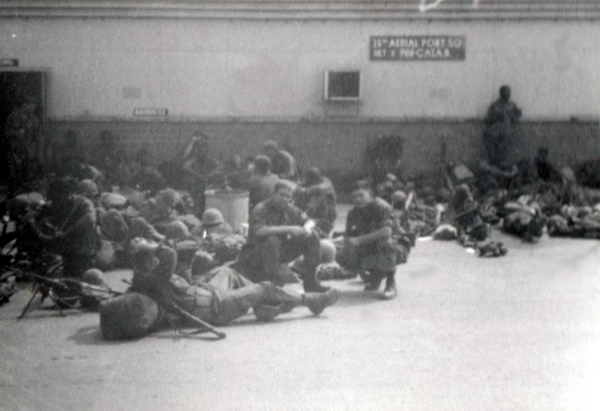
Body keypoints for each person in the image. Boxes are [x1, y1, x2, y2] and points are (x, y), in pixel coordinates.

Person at [127, 238, 339, 326]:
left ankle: (265, 305)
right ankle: (310, 300)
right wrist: (153, 246)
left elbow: (183, 282)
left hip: (205, 293)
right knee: (264, 287)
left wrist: (189, 264)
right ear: (146, 257)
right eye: (143, 246)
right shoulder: (151, 277)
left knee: (229, 272)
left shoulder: (149, 275)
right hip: (214, 307)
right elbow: (169, 254)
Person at [235, 181, 330, 292]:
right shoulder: (261, 208)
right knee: (272, 240)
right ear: (273, 193)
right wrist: (289, 229)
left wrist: (306, 228)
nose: (285, 199)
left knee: (311, 237)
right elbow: (258, 231)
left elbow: (309, 220)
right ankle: (271, 285)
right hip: (256, 256)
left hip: (278, 253)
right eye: (282, 195)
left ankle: (310, 281)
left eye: (288, 197)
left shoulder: (288, 209)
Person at [26, 177, 99, 303]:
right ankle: (42, 269)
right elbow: (31, 216)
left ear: (68, 195)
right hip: (65, 246)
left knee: (75, 289)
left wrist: (66, 232)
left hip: (82, 248)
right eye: (53, 199)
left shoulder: (83, 202)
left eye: (58, 198)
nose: (55, 203)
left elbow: (89, 219)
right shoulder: (53, 204)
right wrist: (36, 228)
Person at [335, 180, 411, 300]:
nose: (357, 199)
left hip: (396, 245)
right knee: (341, 254)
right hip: (370, 244)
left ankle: (390, 283)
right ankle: (376, 276)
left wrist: (358, 241)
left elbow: (386, 232)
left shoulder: (382, 207)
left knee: (385, 243)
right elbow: (349, 236)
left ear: (370, 195)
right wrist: (345, 243)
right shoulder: (353, 213)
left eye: (361, 195)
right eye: (354, 197)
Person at [4, 96, 42, 192]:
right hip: (16, 151)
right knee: (15, 175)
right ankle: (13, 196)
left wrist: (37, 151)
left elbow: (38, 136)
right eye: (31, 105)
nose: (33, 108)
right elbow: (6, 133)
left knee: (28, 176)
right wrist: (16, 133)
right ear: (25, 104)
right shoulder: (13, 117)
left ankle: (25, 195)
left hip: (29, 152)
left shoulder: (34, 119)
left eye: (34, 106)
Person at [182, 132, 222, 216]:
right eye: (201, 151)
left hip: (207, 187)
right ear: (197, 151)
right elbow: (185, 167)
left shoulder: (209, 160)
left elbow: (220, 166)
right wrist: (198, 176)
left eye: (204, 151)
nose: (203, 153)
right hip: (195, 187)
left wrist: (210, 174)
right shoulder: (193, 160)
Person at [483, 85, 522, 167]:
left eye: (509, 92)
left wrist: (516, 115)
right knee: (496, 154)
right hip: (496, 134)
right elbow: (487, 119)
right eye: (505, 92)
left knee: (506, 153)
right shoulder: (495, 105)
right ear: (501, 93)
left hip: (507, 133)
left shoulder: (511, 105)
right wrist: (496, 117)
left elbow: (517, 115)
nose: (508, 94)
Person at [294, 167, 337, 238]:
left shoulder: (325, 181)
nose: (310, 182)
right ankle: (301, 216)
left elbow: (321, 188)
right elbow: (298, 186)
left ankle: (307, 215)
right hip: (315, 213)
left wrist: (305, 190)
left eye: (312, 179)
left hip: (327, 216)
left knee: (318, 194)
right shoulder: (308, 183)